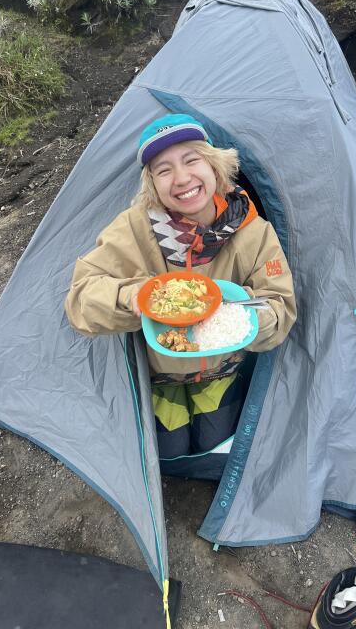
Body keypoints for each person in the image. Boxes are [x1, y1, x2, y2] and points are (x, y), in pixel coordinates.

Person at [65, 113, 296, 459]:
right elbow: (80, 299)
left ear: (215, 165)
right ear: (152, 184)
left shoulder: (254, 232)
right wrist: (135, 297)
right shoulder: (134, 228)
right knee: (170, 454)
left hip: (221, 370)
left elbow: (280, 307)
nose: (182, 178)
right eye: (164, 169)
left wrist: (240, 319)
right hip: (159, 376)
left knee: (213, 450)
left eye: (192, 160)